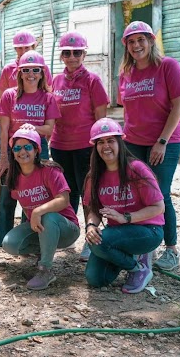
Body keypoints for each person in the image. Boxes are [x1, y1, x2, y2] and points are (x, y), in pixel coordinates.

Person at [118, 21, 180, 271]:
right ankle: (144, 246)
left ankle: (171, 249)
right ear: (126, 46)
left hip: (165, 141)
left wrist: (161, 141)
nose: (137, 45)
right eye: (131, 41)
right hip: (134, 141)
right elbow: (129, 110)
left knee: (160, 192)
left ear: (150, 41)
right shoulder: (126, 73)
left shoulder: (166, 66)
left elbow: (179, 105)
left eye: (141, 40)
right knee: (137, 192)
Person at [0, 50, 60, 266]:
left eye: (36, 70)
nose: (31, 74)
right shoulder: (9, 95)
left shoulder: (48, 98)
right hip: (12, 150)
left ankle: (32, 246)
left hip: (37, 150)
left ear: (43, 73)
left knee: (35, 197)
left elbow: (49, 129)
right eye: (26, 70)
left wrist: (30, 127)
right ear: (20, 73)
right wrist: (4, 158)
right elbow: (3, 128)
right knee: (3, 197)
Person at [83, 118, 165, 294]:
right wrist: (91, 225)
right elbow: (94, 210)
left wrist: (126, 217)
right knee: (96, 279)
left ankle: (138, 267)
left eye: (111, 141)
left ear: (120, 142)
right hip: (118, 234)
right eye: (101, 142)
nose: (106, 146)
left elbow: (159, 207)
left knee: (100, 243)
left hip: (148, 231)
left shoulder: (136, 168)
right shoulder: (94, 176)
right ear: (95, 147)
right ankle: (127, 257)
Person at [50, 31, 109, 262]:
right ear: (62, 56)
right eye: (67, 53)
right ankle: (66, 234)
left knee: (88, 192)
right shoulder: (56, 80)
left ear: (84, 54)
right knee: (66, 192)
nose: (72, 57)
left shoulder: (92, 80)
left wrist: (98, 147)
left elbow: (101, 117)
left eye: (76, 52)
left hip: (85, 146)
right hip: (59, 145)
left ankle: (90, 238)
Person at [1, 126, 80, 290]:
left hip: (66, 229)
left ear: (37, 150)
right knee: (10, 243)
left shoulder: (50, 171)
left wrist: (38, 211)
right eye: (17, 148)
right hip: (42, 228)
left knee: (47, 216)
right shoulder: (15, 177)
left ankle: (45, 270)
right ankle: (44, 253)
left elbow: (64, 200)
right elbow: (24, 205)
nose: (22, 151)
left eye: (27, 147)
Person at [0, 30, 51, 98]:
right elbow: (1, 98)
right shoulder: (8, 69)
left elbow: (49, 93)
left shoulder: (43, 68)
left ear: (33, 47)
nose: (23, 51)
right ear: (15, 49)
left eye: (27, 47)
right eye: (20, 48)